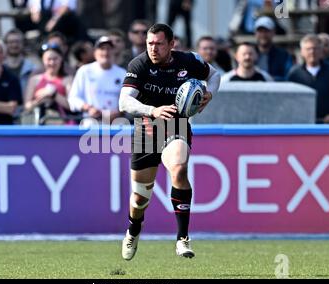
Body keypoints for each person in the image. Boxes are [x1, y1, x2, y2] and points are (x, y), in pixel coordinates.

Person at [119, 24, 220, 260]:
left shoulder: (189, 61)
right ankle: (133, 230)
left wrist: (210, 94)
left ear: (171, 44)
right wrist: (152, 110)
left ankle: (182, 238)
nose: (153, 49)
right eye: (149, 44)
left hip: (177, 125)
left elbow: (214, 75)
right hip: (146, 131)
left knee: (179, 168)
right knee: (139, 199)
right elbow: (124, 103)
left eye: (159, 44)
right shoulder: (139, 64)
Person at [287, 34, 329, 124]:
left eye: (315, 48)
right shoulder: (294, 73)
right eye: (308, 49)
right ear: (302, 52)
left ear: (321, 50)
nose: (312, 52)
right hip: (301, 124)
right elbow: (287, 99)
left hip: (327, 125)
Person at [68, 36, 126, 127]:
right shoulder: (85, 71)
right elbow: (73, 98)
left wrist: (118, 112)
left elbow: (127, 100)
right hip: (91, 125)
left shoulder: (122, 73)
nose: (105, 52)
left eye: (109, 49)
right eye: (102, 49)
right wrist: (88, 108)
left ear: (114, 52)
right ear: (95, 52)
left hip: (116, 126)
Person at [24, 43, 75, 125]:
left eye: (55, 59)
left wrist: (54, 95)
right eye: (49, 59)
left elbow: (72, 106)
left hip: (63, 125)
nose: (52, 62)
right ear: (43, 60)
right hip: (40, 125)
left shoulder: (68, 80)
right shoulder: (34, 80)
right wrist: (40, 100)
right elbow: (27, 106)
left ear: (61, 59)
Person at [254, 16, 293, 81]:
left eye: (266, 31)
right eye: (260, 31)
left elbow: (289, 77)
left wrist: (270, 80)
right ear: (255, 33)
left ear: (273, 32)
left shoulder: (283, 55)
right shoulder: (248, 54)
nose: (263, 35)